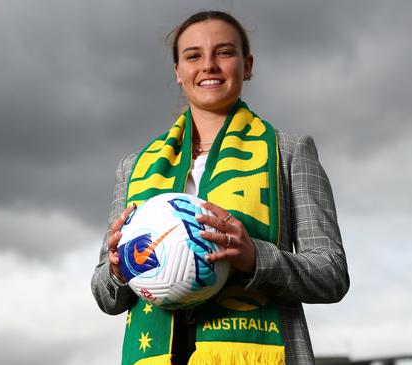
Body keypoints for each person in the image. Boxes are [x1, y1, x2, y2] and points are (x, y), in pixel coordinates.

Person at [91, 10, 349, 365]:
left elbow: (331, 273)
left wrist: (255, 257)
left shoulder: (288, 152)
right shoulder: (134, 167)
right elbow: (105, 296)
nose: (209, 65)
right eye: (193, 55)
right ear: (178, 72)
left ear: (247, 64)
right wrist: (118, 271)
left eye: (224, 52)